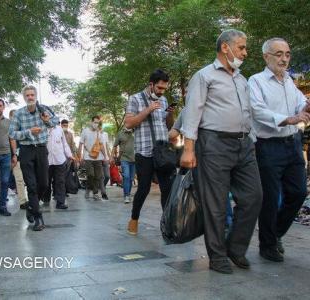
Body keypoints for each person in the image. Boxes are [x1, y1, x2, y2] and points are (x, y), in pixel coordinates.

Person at [180, 29, 263, 274]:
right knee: (215, 204)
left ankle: (235, 249)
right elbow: (192, 113)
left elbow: (248, 113)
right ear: (225, 47)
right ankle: (217, 256)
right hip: (213, 144)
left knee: (254, 197)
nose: (245, 53)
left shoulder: (241, 79)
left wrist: (252, 140)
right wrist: (188, 149)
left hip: (244, 144)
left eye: (245, 48)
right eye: (241, 47)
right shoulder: (204, 76)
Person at [248, 38, 309, 262]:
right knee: (271, 198)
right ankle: (267, 245)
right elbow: (257, 111)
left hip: (292, 144)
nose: (284, 59)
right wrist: (289, 119)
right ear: (266, 57)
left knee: (299, 192)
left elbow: (300, 106)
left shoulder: (290, 81)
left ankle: (275, 234)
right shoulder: (256, 81)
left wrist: (306, 107)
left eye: (287, 54)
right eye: (279, 54)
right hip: (268, 146)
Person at [124, 69, 175, 235]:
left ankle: (167, 224)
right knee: (144, 188)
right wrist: (148, 109)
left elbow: (167, 124)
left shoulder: (164, 100)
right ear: (151, 84)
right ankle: (134, 219)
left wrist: (169, 114)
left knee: (167, 188)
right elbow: (129, 123)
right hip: (144, 152)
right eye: (159, 88)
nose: (162, 92)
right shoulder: (135, 98)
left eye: (164, 89)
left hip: (162, 150)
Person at [9, 85, 58, 231]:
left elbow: (56, 122)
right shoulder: (18, 113)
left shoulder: (44, 109)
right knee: (31, 185)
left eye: (32, 95)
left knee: (43, 183)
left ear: (35, 96)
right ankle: (38, 218)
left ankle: (31, 206)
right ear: (24, 97)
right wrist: (29, 132)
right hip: (26, 150)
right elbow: (12, 134)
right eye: (27, 95)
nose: (30, 97)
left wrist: (47, 120)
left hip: (42, 149)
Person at [0, 98, 16, 217]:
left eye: (0, 105)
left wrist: (15, 155)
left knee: (5, 181)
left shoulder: (9, 122)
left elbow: (12, 138)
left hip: (6, 155)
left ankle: (2, 207)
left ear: (3, 107)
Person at [43, 124, 74, 209]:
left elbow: (64, 144)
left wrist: (69, 155)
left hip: (59, 160)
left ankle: (60, 202)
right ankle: (46, 198)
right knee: (46, 181)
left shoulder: (59, 129)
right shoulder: (42, 128)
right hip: (47, 160)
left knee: (60, 181)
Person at [78, 116, 107, 201]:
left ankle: (95, 193)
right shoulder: (85, 131)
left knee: (98, 176)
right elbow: (80, 144)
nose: (96, 124)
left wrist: (105, 156)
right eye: (95, 122)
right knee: (91, 174)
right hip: (87, 157)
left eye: (98, 123)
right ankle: (88, 188)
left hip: (98, 157)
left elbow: (101, 145)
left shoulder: (99, 133)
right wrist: (80, 157)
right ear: (91, 122)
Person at [9, 109, 28, 209]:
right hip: (14, 158)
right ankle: (22, 201)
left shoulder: (23, 129)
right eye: (13, 116)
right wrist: (13, 156)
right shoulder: (8, 130)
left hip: (25, 157)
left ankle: (29, 199)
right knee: (19, 179)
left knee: (27, 180)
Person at [112, 127, 135, 203]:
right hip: (124, 159)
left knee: (131, 178)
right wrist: (112, 157)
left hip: (134, 159)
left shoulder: (135, 132)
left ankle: (128, 193)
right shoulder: (120, 134)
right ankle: (127, 195)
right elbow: (115, 146)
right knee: (126, 176)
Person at [99, 123, 111, 200]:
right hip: (98, 158)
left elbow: (106, 145)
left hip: (105, 157)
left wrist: (109, 156)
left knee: (107, 176)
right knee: (102, 176)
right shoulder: (94, 134)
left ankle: (101, 187)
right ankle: (104, 193)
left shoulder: (105, 134)